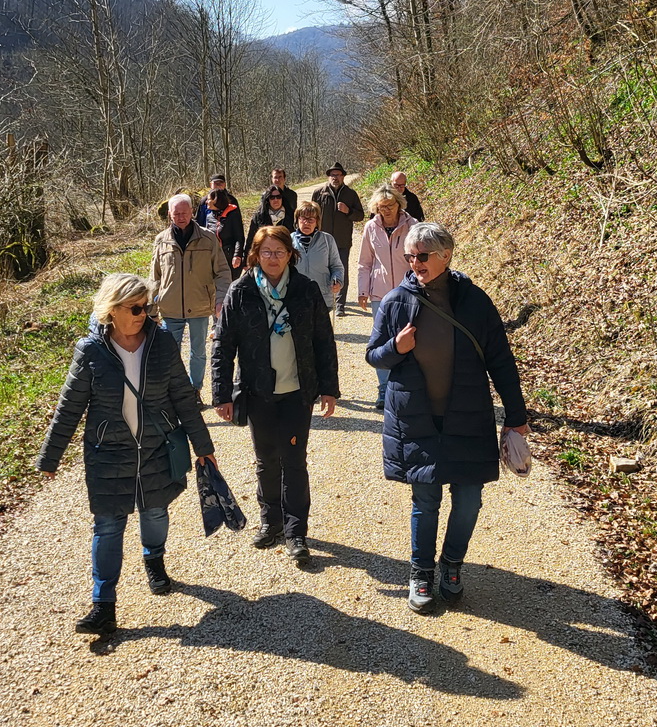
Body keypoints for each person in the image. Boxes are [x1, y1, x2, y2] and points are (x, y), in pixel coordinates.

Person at [37, 273, 218, 636]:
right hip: (108, 452)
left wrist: (204, 446)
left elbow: (182, 395)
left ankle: (154, 559)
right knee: (107, 525)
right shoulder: (90, 351)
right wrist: (50, 457)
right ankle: (103, 605)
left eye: (148, 308)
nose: (144, 315)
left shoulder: (162, 343)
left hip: (156, 446)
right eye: (136, 308)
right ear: (112, 309)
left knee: (155, 511)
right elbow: (69, 407)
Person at [365, 222, 529, 615]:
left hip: (468, 415)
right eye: (409, 256)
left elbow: (501, 362)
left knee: (469, 500)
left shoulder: (474, 301)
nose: (415, 263)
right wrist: (396, 346)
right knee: (426, 498)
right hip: (417, 417)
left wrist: (516, 417)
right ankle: (420, 572)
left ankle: (451, 565)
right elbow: (374, 355)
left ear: (446, 255)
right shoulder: (395, 301)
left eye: (423, 256)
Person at [211, 225, 340, 566]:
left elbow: (323, 341)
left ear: (290, 255)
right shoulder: (241, 292)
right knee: (266, 460)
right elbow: (223, 345)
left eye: (279, 252)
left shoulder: (306, 289)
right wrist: (221, 393)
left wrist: (329, 388)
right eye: (266, 252)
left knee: (294, 462)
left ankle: (296, 531)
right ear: (255, 255)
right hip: (258, 392)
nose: (273, 259)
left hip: (297, 391)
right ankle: (271, 522)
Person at [150, 194, 232, 399]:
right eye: (176, 213)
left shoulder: (208, 238)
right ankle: (175, 393)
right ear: (169, 214)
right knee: (170, 353)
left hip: (200, 305)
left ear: (192, 212)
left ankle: (195, 390)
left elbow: (222, 271)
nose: (181, 217)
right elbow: (154, 277)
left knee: (198, 352)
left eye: (184, 212)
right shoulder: (161, 240)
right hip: (170, 307)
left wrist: (221, 299)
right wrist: (151, 309)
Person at [357, 184, 417, 411]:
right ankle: (384, 389)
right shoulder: (371, 227)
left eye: (390, 205)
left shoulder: (412, 226)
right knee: (381, 342)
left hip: (408, 291)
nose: (386, 210)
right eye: (381, 207)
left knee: (409, 338)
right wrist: (363, 291)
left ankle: (408, 384)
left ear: (399, 204)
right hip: (379, 294)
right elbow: (364, 262)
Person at [310, 162, 364, 316]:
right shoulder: (319, 193)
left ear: (343, 176)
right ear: (328, 177)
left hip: (342, 241)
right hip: (321, 241)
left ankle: (340, 304)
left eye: (338, 175)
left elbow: (360, 215)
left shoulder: (350, 194)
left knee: (342, 271)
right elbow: (311, 215)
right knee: (320, 271)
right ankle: (322, 302)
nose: (335, 178)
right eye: (332, 175)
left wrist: (348, 211)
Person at [291, 200, 344, 310]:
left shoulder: (327, 239)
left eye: (311, 219)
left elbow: (337, 267)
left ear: (317, 222)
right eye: (303, 218)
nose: (307, 223)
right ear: (297, 220)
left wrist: (337, 280)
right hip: (295, 297)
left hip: (322, 297)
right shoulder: (288, 241)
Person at [200, 184, 246, 270]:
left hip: (230, 257)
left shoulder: (232, 214)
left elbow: (239, 237)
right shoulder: (209, 216)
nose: (206, 202)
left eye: (209, 199)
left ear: (216, 201)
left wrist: (237, 255)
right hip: (213, 256)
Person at [247, 185, 292, 251]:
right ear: (268, 199)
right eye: (272, 197)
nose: (276, 200)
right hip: (265, 255)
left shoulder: (291, 215)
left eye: (278, 197)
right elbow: (251, 240)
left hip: (284, 255)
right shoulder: (259, 216)